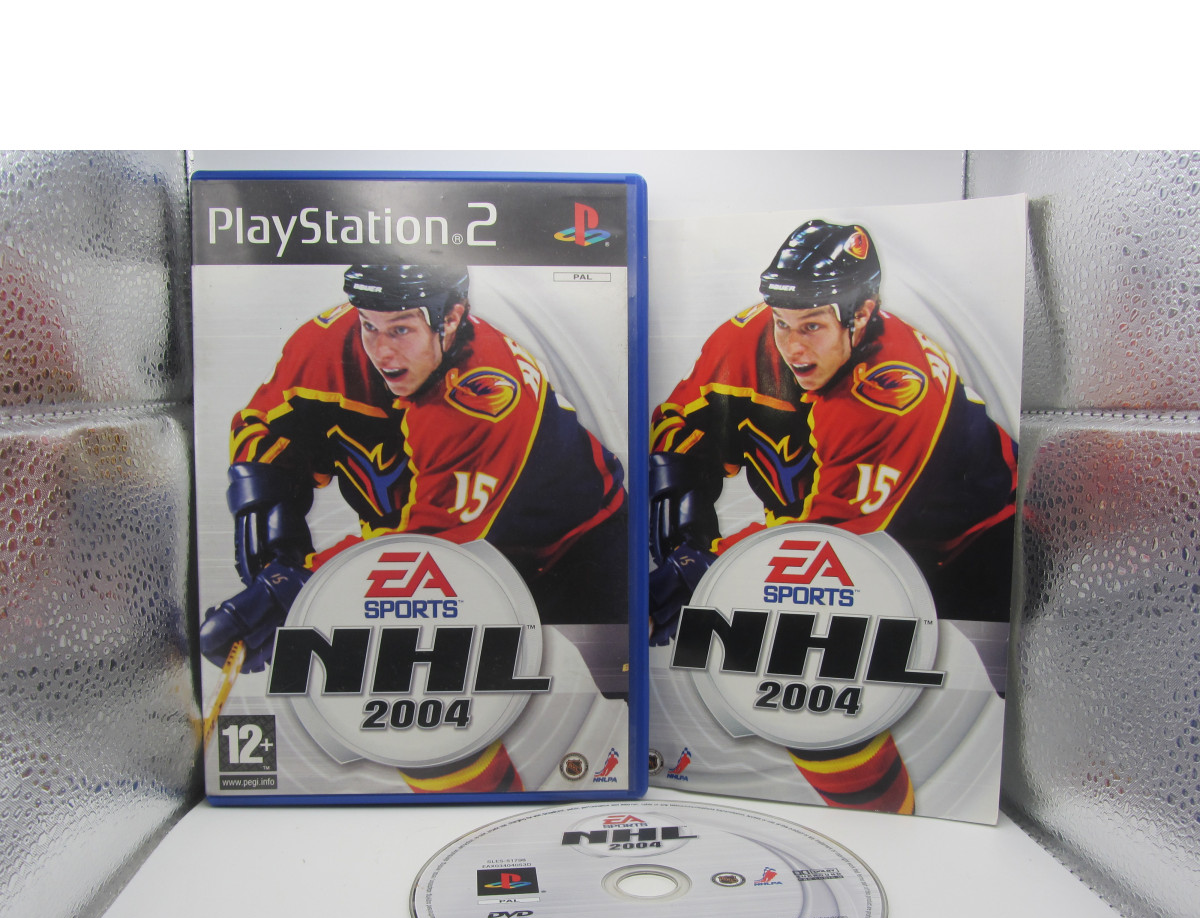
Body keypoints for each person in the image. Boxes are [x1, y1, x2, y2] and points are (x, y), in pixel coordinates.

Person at [199, 260, 628, 794]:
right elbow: (265, 430)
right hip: (438, 542)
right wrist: (273, 546)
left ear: (451, 318)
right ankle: (474, 817)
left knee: (624, 704)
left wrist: (289, 592)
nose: (381, 351)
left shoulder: (486, 392)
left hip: (576, 548)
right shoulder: (327, 342)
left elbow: (426, 551)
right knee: (425, 721)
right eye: (370, 326)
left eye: (401, 329)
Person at [649, 219, 1018, 814]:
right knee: (809, 688)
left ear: (861, 314)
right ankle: (880, 825)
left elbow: (826, 540)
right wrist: (681, 539)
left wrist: (698, 570)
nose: (793, 347)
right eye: (783, 323)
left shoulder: (894, 385)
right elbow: (678, 434)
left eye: (813, 326)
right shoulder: (748, 338)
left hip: (976, 549)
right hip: (847, 534)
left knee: (1009, 720)